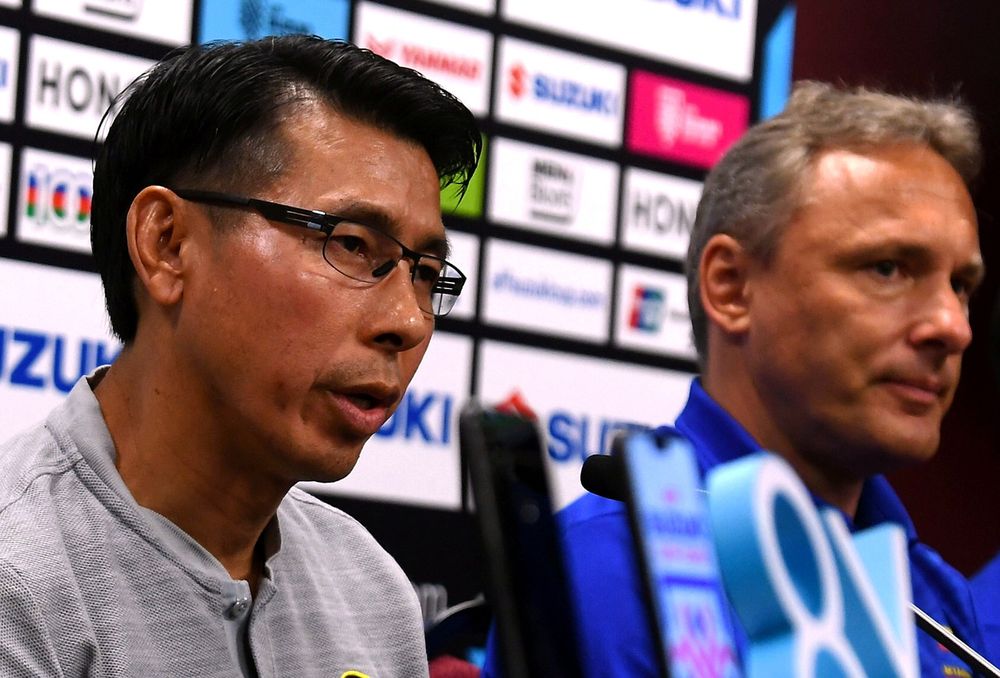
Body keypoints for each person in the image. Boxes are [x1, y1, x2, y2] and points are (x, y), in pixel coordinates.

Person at [0, 36, 481, 677]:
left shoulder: (371, 591)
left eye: (425, 272)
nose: (407, 321)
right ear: (167, 244)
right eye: (352, 245)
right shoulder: (19, 578)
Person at [482, 81, 988, 676]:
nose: (953, 327)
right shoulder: (604, 571)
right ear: (730, 287)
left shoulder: (935, 597)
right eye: (887, 268)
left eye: (961, 285)